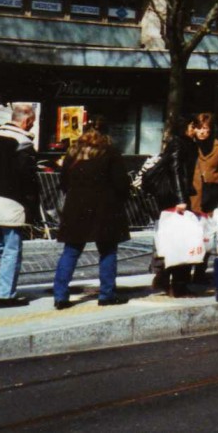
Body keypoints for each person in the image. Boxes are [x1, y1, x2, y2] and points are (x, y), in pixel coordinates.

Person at [51, 118, 130, 309]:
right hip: (105, 207)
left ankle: (60, 296)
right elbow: (121, 183)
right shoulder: (110, 152)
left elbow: (63, 182)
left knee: (71, 251)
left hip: (76, 207)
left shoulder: (73, 153)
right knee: (108, 250)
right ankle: (106, 295)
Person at [0, 104, 38, 308]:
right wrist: (31, 207)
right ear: (26, 121)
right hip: (11, 203)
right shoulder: (23, 143)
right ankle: (5, 295)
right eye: (32, 122)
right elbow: (28, 179)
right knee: (12, 249)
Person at [151, 116, 198, 297]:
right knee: (181, 240)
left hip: (177, 197)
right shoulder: (179, 144)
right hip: (175, 199)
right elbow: (176, 171)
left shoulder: (186, 143)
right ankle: (177, 284)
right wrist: (181, 198)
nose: (194, 129)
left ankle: (166, 279)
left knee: (175, 240)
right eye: (192, 126)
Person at [188, 113, 218, 283]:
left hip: (209, 198)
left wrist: (213, 181)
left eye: (206, 129)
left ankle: (200, 271)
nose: (202, 132)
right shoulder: (189, 145)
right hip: (191, 197)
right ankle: (186, 270)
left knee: (206, 236)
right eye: (199, 128)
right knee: (191, 235)